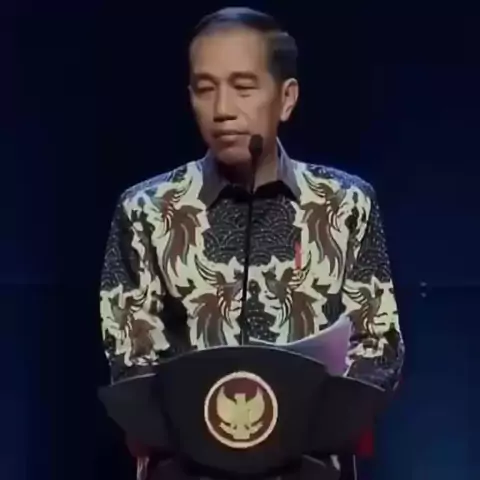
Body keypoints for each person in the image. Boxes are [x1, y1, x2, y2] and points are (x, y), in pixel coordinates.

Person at [99, 7, 404, 480]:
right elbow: (130, 356)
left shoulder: (346, 203)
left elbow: (379, 346)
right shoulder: (146, 210)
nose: (222, 109)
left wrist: (300, 427)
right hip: (188, 464)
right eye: (205, 88)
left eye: (243, 87)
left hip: (307, 462)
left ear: (286, 98)